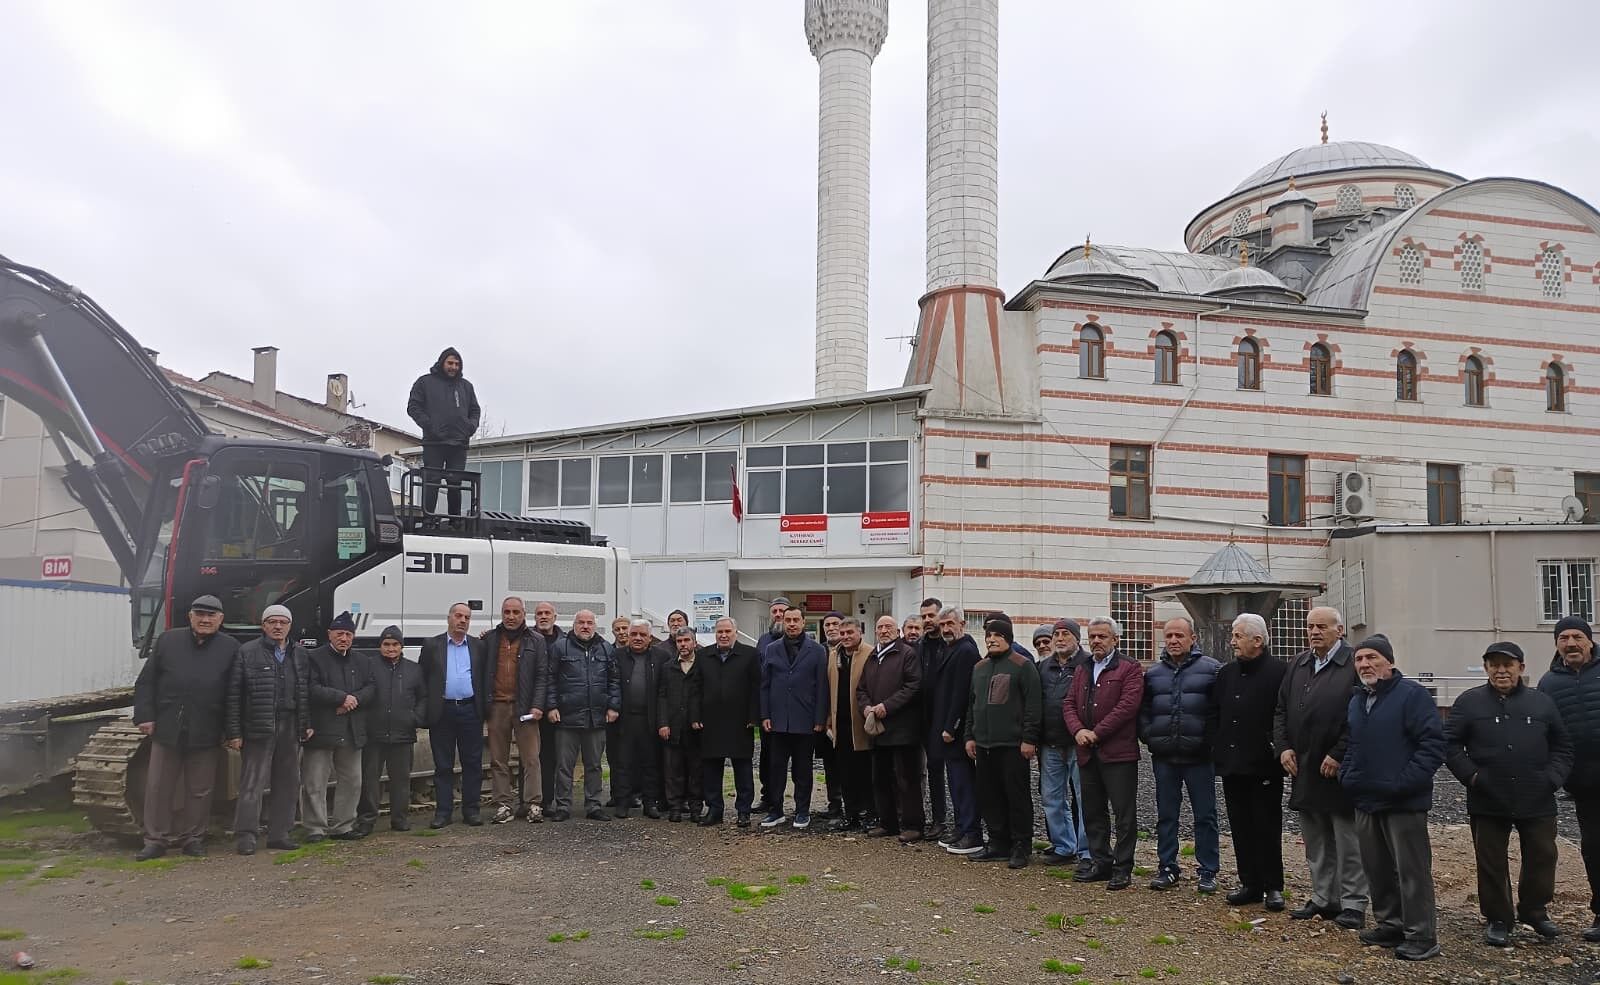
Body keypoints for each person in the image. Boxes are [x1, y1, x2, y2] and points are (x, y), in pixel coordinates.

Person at [1450, 641, 1572, 946]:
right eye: (1494, 665)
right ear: (1487, 668)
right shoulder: (1469, 702)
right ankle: (1499, 918)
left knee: (1543, 855)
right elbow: (1450, 744)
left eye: (1508, 664)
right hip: (1488, 796)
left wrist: (1553, 778)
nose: (1501, 671)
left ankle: (1534, 910)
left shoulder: (1541, 703)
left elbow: (1562, 745)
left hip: (1537, 795)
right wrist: (1473, 776)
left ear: (1521, 667)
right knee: (1490, 860)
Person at [1340, 635, 1445, 961]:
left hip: (1403, 802)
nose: (1365, 665)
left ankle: (1421, 935)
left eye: (1372, 658)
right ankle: (1390, 924)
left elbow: (1432, 746)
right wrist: (1348, 776)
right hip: (1366, 800)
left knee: (1411, 871)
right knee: (1377, 868)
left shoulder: (1412, 696)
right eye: (1359, 660)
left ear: (1389, 661)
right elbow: (1353, 744)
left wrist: (1404, 783)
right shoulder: (1358, 700)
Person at [1274, 606, 1369, 928]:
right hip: (1303, 766)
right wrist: (1283, 747)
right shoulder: (1299, 664)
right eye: (1310, 626)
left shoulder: (1352, 664)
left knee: (1347, 839)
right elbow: (1280, 710)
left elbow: (1361, 714)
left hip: (1338, 768)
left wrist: (1340, 752)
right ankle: (1323, 897)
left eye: (1322, 627)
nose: (1315, 632)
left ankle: (1353, 902)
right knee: (1315, 839)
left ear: (1339, 631)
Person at [133, 595, 239, 860]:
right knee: (158, 786)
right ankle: (155, 839)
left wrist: (231, 730)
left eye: (211, 615)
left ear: (220, 620)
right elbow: (146, 682)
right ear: (190, 616)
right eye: (200, 614)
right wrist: (145, 716)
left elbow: (235, 693)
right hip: (168, 727)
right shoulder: (168, 641)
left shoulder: (231, 648)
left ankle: (193, 838)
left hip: (207, 728)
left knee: (200, 789)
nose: (205, 619)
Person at [1140, 617, 1222, 893]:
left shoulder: (1211, 670)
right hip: (1165, 756)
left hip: (1199, 758)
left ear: (1192, 638)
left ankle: (1208, 869)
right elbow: (1144, 711)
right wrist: (1151, 737)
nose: (1173, 640)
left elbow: (1217, 713)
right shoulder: (1153, 674)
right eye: (1169, 635)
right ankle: (1167, 866)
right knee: (1166, 814)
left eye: (1179, 635)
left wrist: (1208, 744)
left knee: (1205, 815)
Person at [1214, 613, 1289, 911]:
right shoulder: (1226, 673)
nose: (1231, 641)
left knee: (1267, 825)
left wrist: (1276, 745)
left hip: (1264, 763)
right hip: (1233, 763)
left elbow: (1284, 715)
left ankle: (1273, 886)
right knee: (1240, 825)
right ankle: (1250, 883)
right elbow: (1216, 712)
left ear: (1257, 641)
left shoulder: (1280, 672)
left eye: (1237, 636)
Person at [1065, 617, 1145, 889]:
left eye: (1102, 636)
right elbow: (1068, 704)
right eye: (1093, 636)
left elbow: (1127, 707)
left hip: (1118, 753)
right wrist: (1078, 731)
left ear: (1115, 640)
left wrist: (1096, 732)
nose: (1096, 641)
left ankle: (1123, 867)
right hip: (1087, 752)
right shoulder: (1082, 668)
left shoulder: (1129, 668)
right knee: (1093, 811)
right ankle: (1101, 862)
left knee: (1124, 814)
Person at [227, 604, 311, 855]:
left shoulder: (300, 654)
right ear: (263, 626)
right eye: (272, 622)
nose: (277, 626)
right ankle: (246, 835)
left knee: (288, 782)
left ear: (289, 626)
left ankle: (280, 833)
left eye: (282, 622)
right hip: (259, 726)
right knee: (252, 782)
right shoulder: (247, 652)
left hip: (290, 724)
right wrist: (234, 731)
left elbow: (304, 691)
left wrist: (305, 724)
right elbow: (234, 695)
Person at [1538, 615, 1600, 942]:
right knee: (1594, 849)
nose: (1571, 643)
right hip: (1584, 784)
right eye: (1564, 638)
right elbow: (1548, 734)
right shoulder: (1549, 683)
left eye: (1577, 636)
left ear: (1590, 641)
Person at [963, 616, 1041, 868]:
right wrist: (969, 736)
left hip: (1012, 745)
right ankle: (998, 842)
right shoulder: (979, 668)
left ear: (1008, 638)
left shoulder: (1022, 665)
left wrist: (1029, 739)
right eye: (988, 636)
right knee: (989, 796)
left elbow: (1033, 706)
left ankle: (1021, 845)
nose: (992, 639)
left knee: (1016, 797)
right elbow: (972, 706)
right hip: (984, 745)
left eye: (997, 635)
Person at [301, 612, 376, 842]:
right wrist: (341, 698)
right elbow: (310, 688)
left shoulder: (362, 661)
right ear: (329, 635)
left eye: (348, 634)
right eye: (339, 633)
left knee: (352, 780)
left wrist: (354, 700)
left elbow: (372, 688)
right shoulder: (313, 657)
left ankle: (343, 825)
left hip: (351, 730)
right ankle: (315, 828)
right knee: (315, 781)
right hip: (322, 729)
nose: (344, 638)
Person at [543, 609, 621, 822]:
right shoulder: (561, 647)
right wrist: (551, 706)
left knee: (594, 765)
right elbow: (550, 679)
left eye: (589, 622)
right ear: (574, 625)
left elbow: (614, 680)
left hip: (596, 718)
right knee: (564, 765)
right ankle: (563, 806)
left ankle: (594, 805)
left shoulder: (605, 649)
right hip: (566, 718)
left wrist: (613, 707)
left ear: (595, 625)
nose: (585, 626)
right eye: (581, 622)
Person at [759, 606, 829, 829]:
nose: (791, 623)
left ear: (803, 622)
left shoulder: (817, 650)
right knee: (776, 769)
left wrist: (820, 718)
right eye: (787, 620)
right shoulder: (772, 649)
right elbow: (765, 686)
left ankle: (802, 811)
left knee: (803, 770)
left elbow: (822, 687)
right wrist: (765, 715)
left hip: (805, 721)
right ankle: (776, 810)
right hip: (778, 721)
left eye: (795, 620)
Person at [421, 602, 488, 828]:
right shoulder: (432, 645)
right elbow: (423, 679)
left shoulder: (479, 646)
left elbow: (484, 677)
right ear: (449, 618)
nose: (462, 621)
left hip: (470, 710)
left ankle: (471, 810)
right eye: (458, 616)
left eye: (467, 618)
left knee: (472, 763)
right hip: (443, 711)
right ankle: (443, 812)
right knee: (443, 765)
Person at [859, 615, 925, 842]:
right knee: (881, 779)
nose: (884, 630)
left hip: (903, 730)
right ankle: (887, 823)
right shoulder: (872, 657)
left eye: (888, 627)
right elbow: (861, 689)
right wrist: (866, 707)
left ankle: (913, 825)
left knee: (907, 779)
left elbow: (913, 686)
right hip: (878, 731)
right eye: (880, 627)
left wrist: (887, 706)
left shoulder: (907, 654)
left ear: (897, 631)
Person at [482, 597, 547, 824]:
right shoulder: (490, 639)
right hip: (497, 706)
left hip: (525, 707)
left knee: (531, 758)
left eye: (516, 612)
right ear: (501, 613)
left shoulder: (536, 640)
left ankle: (533, 804)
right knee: (498, 759)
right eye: (507, 612)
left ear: (523, 614)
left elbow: (541, 675)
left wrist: (538, 705)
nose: (511, 616)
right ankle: (503, 804)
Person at [360, 625, 427, 833]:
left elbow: (423, 697)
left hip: (403, 734)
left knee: (401, 780)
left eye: (395, 644)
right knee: (370, 780)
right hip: (374, 734)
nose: (391, 648)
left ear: (401, 646)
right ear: (380, 646)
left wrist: (415, 718)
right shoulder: (369, 666)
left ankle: (400, 819)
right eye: (386, 644)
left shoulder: (414, 669)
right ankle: (367, 820)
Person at [696, 617, 761, 827]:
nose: (723, 635)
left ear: (736, 632)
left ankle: (743, 811)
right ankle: (715, 810)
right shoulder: (703, 655)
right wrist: (695, 716)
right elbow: (696, 688)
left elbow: (756, 687)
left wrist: (754, 716)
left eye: (727, 631)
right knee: (712, 769)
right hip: (711, 721)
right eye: (719, 632)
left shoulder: (750, 654)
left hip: (740, 722)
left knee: (742, 769)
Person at [932, 605, 983, 855]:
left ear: (962, 624)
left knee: (963, 783)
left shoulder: (966, 650)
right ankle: (962, 827)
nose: (946, 629)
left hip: (957, 730)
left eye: (950, 624)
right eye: (942, 625)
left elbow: (962, 693)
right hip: (946, 729)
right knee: (955, 781)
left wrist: (951, 726)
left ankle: (972, 832)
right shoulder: (949, 648)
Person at [406, 346, 480, 517]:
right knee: (432, 481)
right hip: (434, 442)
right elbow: (413, 407)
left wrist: (470, 426)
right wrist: (429, 425)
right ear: (442, 363)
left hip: (459, 443)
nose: (454, 367)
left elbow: (475, 410)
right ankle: (428, 519)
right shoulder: (425, 382)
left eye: (457, 364)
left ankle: (455, 521)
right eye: (450, 363)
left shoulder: (466, 386)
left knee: (456, 483)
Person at [1038, 618, 1088, 867]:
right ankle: (1063, 845)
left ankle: (1087, 849)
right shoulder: (1044, 667)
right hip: (1050, 742)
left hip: (1078, 742)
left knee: (1084, 797)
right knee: (1052, 797)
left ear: (1077, 638)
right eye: (1056, 634)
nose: (1059, 638)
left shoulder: (1087, 664)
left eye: (1065, 633)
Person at [613, 619, 667, 818]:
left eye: (642, 635)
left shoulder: (661, 657)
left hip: (650, 719)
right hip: (624, 719)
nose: (637, 638)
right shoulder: (617, 656)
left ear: (650, 638)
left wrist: (662, 721)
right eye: (634, 634)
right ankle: (623, 802)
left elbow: (664, 691)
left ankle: (650, 803)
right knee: (623, 763)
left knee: (650, 763)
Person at [826, 615, 875, 831]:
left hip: (862, 723)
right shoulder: (833, 655)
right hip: (840, 724)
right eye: (842, 633)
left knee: (866, 772)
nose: (845, 637)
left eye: (850, 633)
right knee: (844, 773)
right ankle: (851, 814)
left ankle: (870, 814)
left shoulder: (870, 653)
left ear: (859, 633)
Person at [657, 627, 703, 822]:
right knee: (673, 770)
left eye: (686, 640)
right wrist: (663, 723)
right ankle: (675, 807)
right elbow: (662, 696)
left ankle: (695, 808)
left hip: (695, 728)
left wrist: (700, 718)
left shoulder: (702, 666)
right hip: (673, 726)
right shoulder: (668, 667)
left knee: (696, 770)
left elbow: (706, 695)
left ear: (694, 642)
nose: (683, 644)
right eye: (679, 641)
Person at [754, 597, 791, 815]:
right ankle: (768, 798)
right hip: (769, 711)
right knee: (768, 758)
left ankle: (798, 802)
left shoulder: (801, 642)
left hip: (794, 712)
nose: (778, 614)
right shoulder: (763, 641)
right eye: (775, 611)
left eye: (782, 611)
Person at [919, 598, 950, 841]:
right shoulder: (920, 646)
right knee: (933, 769)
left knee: (957, 771)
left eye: (932, 615)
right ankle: (939, 818)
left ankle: (961, 820)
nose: (928, 620)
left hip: (948, 718)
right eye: (924, 617)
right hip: (925, 718)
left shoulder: (951, 646)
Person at [531, 601, 563, 811]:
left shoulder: (565, 641)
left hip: (555, 709)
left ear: (555, 617)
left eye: (547, 613)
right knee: (530, 758)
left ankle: (549, 800)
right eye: (539, 613)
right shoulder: (527, 638)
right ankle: (530, 800)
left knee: (552, 756)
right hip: (531, 707)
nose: (543, 616)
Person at [815, 611, 847, 819]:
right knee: (829, 764)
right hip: (823, 717)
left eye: (836, 623)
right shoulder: (819, 652)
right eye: (827, 624)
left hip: (846, 717)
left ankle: (854, 804)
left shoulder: (851, 650)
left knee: (850, 763)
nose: (831, 627)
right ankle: (834, 803)